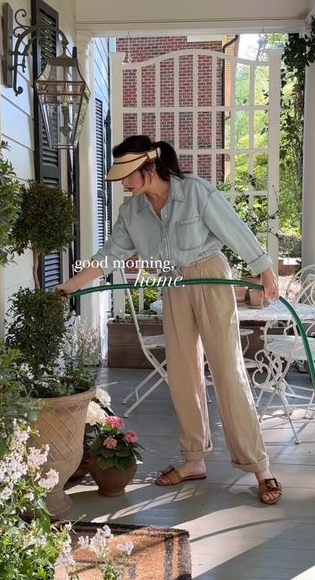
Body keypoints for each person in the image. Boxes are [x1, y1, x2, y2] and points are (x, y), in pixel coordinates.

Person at [56, 135, 282, 505]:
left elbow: (234, 230)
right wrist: (69, 286)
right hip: (172, 284)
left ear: (152, 166)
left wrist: (265, 269)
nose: (125, 183)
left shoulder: (194, 192)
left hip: (210, 277)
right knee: (181, 374)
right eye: (122, 177)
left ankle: (261, 467)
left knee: (228, 372)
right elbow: (109, 255)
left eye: (130, 174)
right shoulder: (133, 213)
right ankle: (194, 459)